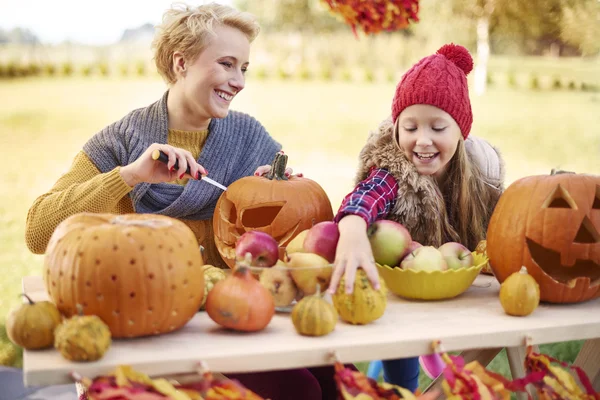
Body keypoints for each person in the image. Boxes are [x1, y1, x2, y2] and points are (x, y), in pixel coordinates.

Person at [20, 3, 338, 399]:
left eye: (244, 68)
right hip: (147, 332)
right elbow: (37, 232)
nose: (238, 81)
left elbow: (292, 220)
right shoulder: (120, 142)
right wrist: (129, 177)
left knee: (328, 376)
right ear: (182, 61)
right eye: (226, 64)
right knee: (300, 389)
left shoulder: (249, 137)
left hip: (229, 319)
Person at [327, 43, 506, 392]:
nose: (422, 141)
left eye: (437, 127)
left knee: (461, 354)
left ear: (460, 131)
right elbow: (362, 199)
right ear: (396, 129)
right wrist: (351, 228)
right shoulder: (393, 172)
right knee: (402, 347)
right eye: (410, 127)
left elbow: (507, 224)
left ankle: (441, 371)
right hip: (403, 291)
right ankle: (404, 389)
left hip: (453, 286)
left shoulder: (477, 178)